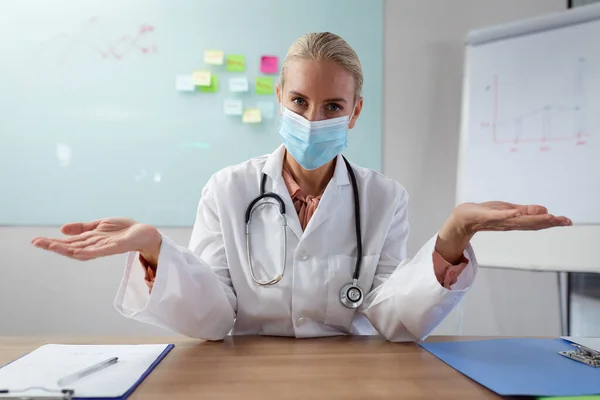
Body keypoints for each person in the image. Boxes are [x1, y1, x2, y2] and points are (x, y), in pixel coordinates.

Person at [31, 32, 571, 342]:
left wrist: (454, 233)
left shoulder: (385, 199)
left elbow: (391, 315)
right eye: (300, 102)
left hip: (350, 380)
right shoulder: (227, 188)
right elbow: (216, 314)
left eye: (333, 106)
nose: (314, 119)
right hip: (246, 376)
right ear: (279, 97)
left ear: (354, 112)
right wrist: (154, 249)